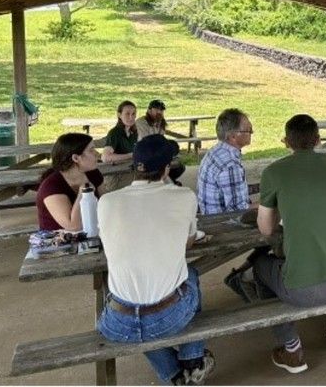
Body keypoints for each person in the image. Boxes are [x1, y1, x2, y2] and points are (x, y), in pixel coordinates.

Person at [248, 114, 326, 374]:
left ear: (286, 141)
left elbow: (266, 229)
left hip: (304, 292)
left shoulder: (274, 172)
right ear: (318, 139)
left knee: (259, 266)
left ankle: (292, 348)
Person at [97, 134, 215, 386]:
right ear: (166, 168)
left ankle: (173, 375)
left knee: (130, 308)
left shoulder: (106, 202)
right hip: (169, 317)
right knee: (190, 275)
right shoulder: (183, 197)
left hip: (118, 322)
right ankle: (192, 359)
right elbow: (188, 242)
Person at [36, 133, 103, 231]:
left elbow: (105, 202)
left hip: (90, 234)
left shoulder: (93, 173)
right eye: (91, 150)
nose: (97, 154)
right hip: (58, 242)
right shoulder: (51, 187)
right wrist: (83, 193)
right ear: (76, 158)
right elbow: (73, 226)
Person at [197, 108, 253, 214]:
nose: (251, 133)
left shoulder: (217, 151)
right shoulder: (230, 165)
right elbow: (239, 210)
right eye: (248, 130)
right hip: (220, 223)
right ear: (232, 136)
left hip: (209, 216)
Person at [136, 99, 186, 184]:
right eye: (156, 109)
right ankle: (168, 182)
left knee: (179, 166)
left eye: (161, 110)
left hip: (156, 150)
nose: (159, 112)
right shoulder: (141, 122)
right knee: (162, 165)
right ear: (149, 110)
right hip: (145, 153)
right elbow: (147, 142)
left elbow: (160, 140)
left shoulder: (160, 122)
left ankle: (168, 180)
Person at [100, 100, 138, 193]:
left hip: (130, 172)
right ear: (119, 115)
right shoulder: (115, 133)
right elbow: (106, 157)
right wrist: (130, 155)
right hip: (116, 176)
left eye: (133, 114)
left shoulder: (134, 132)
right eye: (127, 114)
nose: (131, 117)